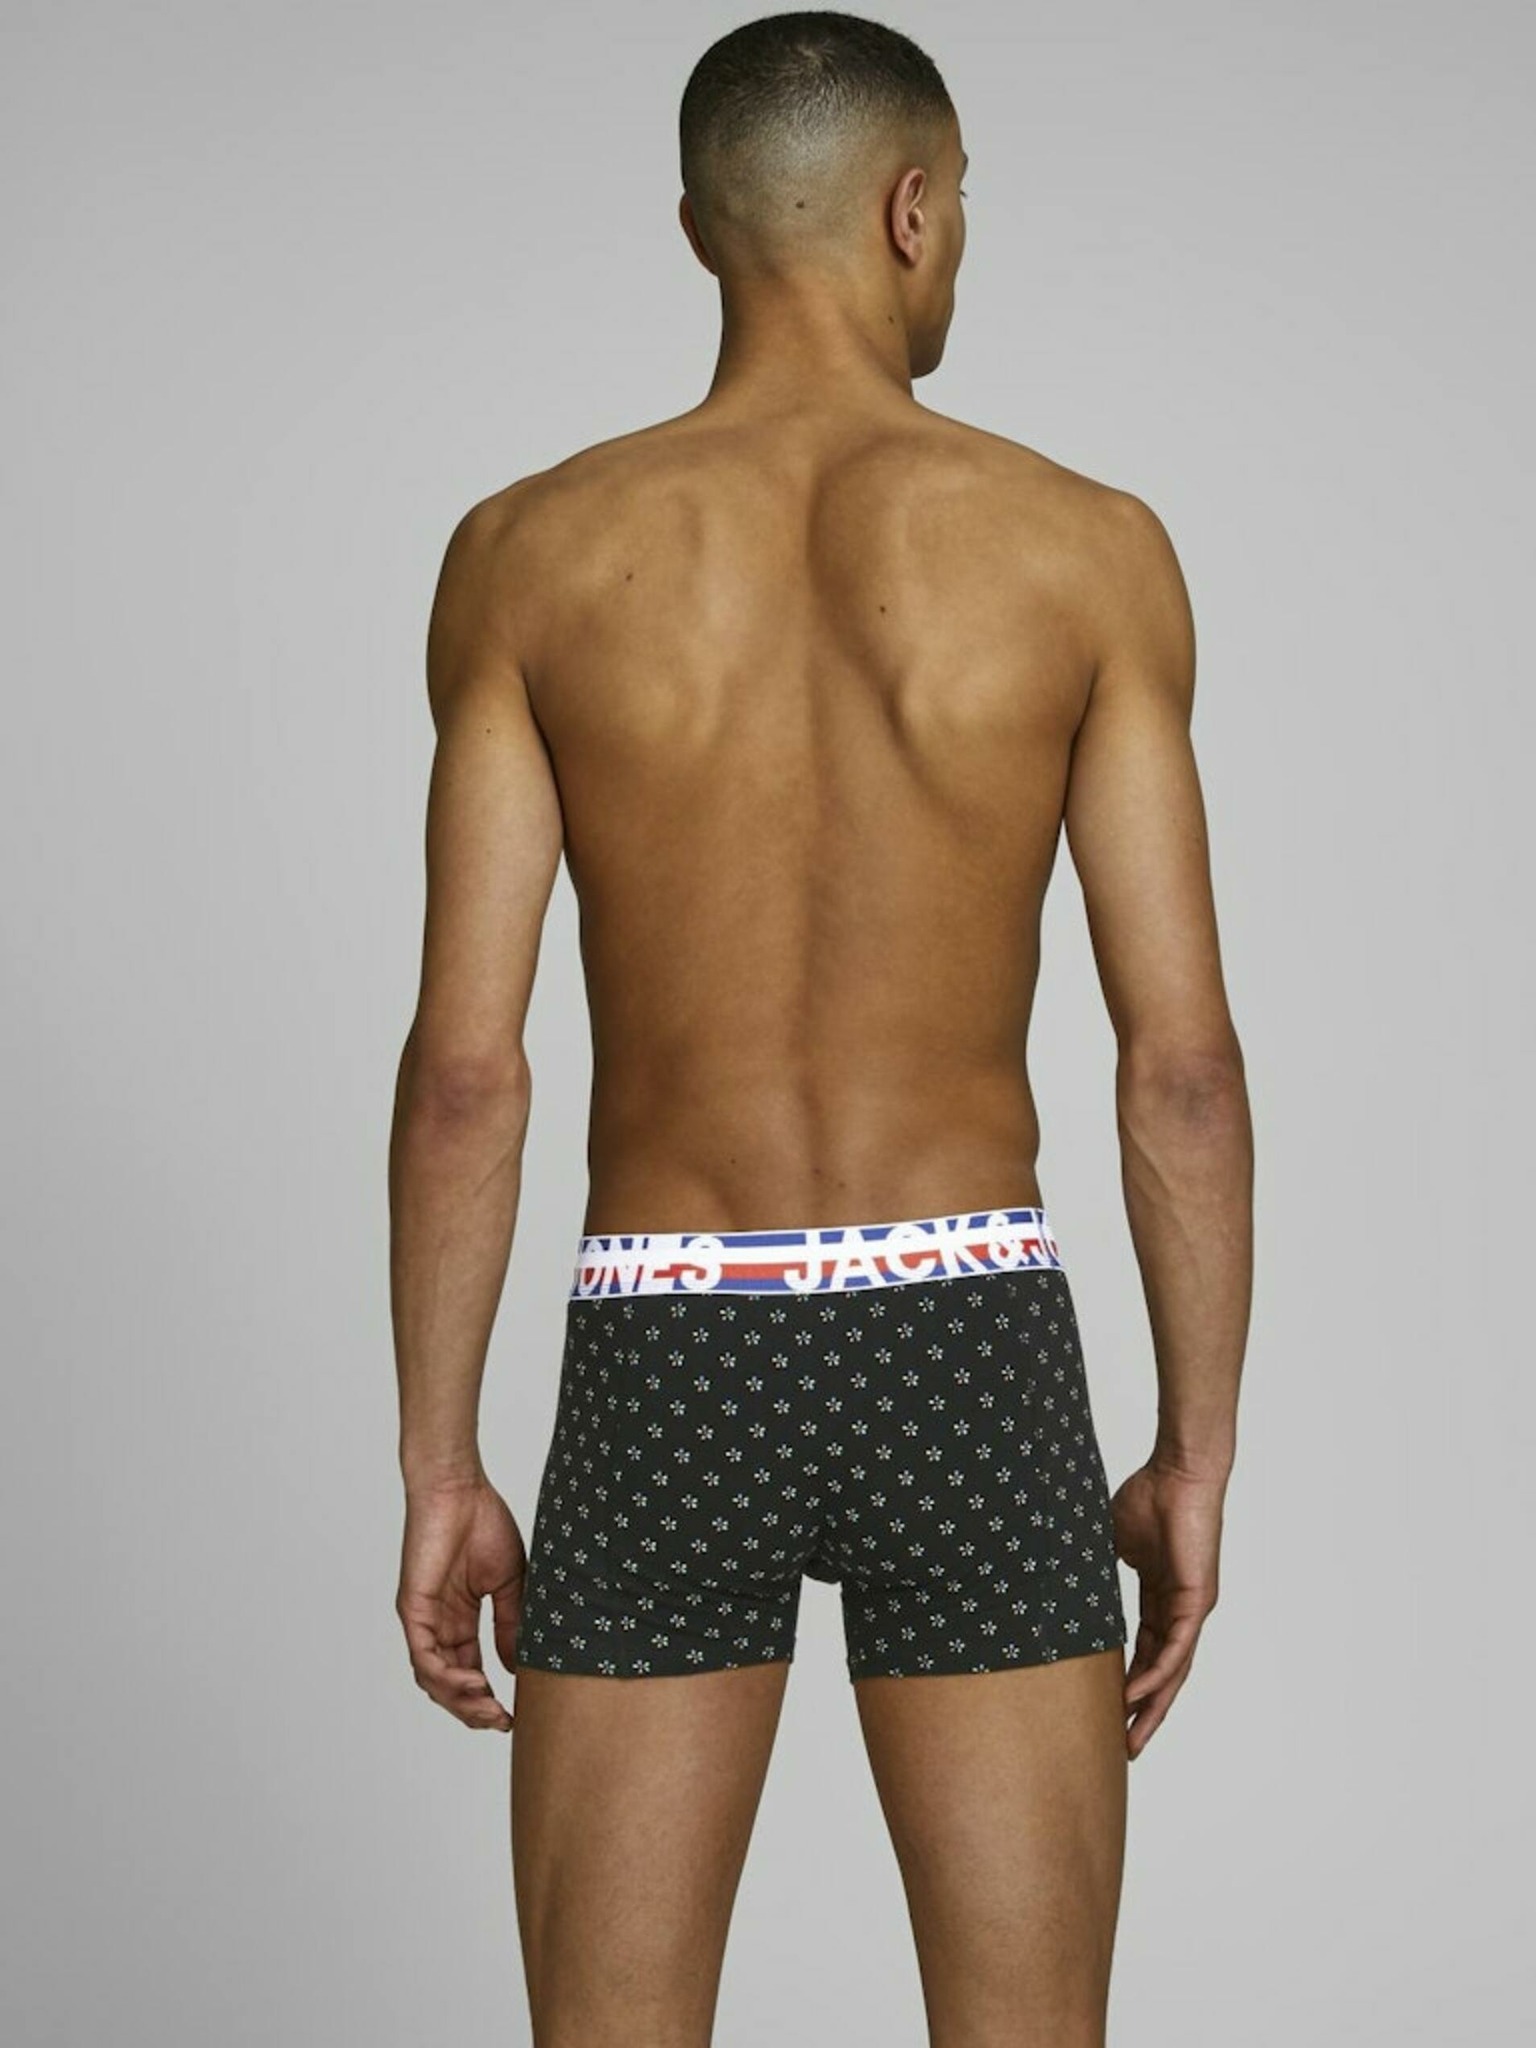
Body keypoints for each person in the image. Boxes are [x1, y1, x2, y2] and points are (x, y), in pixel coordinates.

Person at [389, 11, 1253, 2044]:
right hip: (965, 1334)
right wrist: (1192, 1454)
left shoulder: (527, 555)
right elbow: (1182, 1069)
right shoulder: (1087, 550)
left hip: (669, 1336)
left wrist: (442, 1463)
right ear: (913, 208)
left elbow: (467, 1074)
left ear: (702, 230)